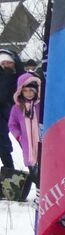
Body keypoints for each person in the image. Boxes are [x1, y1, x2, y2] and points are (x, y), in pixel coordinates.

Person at [7, 72, 39, 199]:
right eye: (25, 91)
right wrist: (18, 136)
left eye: (31, 90)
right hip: (27, 145)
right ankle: (38, 192)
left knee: (43, 171)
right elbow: (12, 124)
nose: (29, 94)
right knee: (33, 170)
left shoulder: (40, 106)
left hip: (42, 144)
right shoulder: (17, 108)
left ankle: (44, 192)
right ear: (20, 91)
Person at [0, 49, 17, 177]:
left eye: (8, 62)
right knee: (4, 147)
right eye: (3, 63)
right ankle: (10, 175)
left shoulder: (20, 76)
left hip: (17, 115)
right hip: (3, 117)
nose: (6, 65)